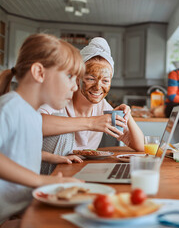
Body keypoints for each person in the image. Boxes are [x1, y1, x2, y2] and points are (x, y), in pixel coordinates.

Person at [0, 33, 83, 225]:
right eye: (69, 76)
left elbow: (16, 149)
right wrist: (42, 181)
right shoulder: (9, 107)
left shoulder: (33, 115)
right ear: (39, 73)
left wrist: (54, 158)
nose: (74, 87)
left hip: (20, 210)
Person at [39, 37, 144, 174]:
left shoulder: (103, 107)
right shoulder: (60, 96)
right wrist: (92, 123)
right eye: (90, 79)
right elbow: (34, 122)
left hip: (79, 171)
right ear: (78, 78)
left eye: (105, 81)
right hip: (47, 171)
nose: (98, 87)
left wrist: (127, 116)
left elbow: (140, 146)